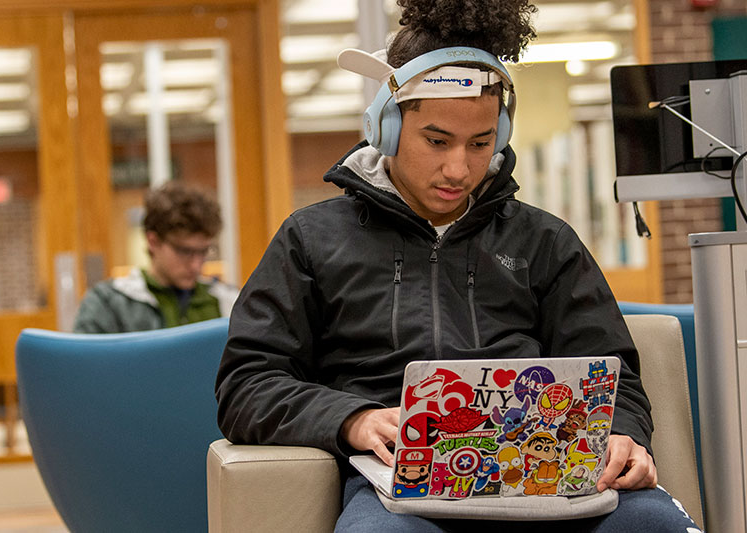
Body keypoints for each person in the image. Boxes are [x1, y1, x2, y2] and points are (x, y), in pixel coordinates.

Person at [215, 0, 701, 530]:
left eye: (481, 143)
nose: (458, 168)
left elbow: (616, 377)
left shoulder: (545, 241)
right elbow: (248, 384)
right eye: (436, 140)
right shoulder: (311, 239)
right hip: (400, 494)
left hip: (550, 478)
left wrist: (624, 432)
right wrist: (351, 419)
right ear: (387, 126)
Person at [73, 181, 238, 333]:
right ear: (153, 242)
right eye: (184, 252)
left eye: (203, 251)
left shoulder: (228, 302)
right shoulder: (108, 305)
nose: (196, 265)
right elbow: (82, 363)